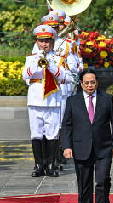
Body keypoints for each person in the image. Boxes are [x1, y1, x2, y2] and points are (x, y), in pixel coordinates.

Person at [60, 69, 113, 203]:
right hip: (81, 147)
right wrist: (66, 146)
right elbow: (66, 126)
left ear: (97, 83)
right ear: (81, 84)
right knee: (84, 183)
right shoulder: (72, 101)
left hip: (103, 148)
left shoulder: (107, 99)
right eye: (86, 82)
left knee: (102, 182)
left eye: (92, 82)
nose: (90, 85)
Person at [22, 25, 74, 177]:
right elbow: (25, 76)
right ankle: (39, 165)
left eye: (47, 41)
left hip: (52, 101)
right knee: (36, 134)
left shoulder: (58, 59)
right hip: (35, 100)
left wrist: (50, 65)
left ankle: (51, 165)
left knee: (52, 134)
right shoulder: (31, 58)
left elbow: (66, 78)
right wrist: (37, 62)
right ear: (36, 42)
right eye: (41, 41)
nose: (44, 44)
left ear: (52, 42)